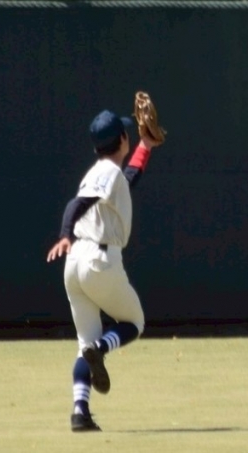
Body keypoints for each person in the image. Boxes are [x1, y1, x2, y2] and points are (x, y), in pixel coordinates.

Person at [46, 108, 161, 432]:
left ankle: (80, 412)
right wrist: (64, 233)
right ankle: (100, 349)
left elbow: (128, 179)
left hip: (75, 265)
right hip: (98, 260)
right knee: (134, 322)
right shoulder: (107, 172)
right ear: (122, 139)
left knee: (84, 342)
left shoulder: (106, 173)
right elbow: (76, 204)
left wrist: (145, 146)